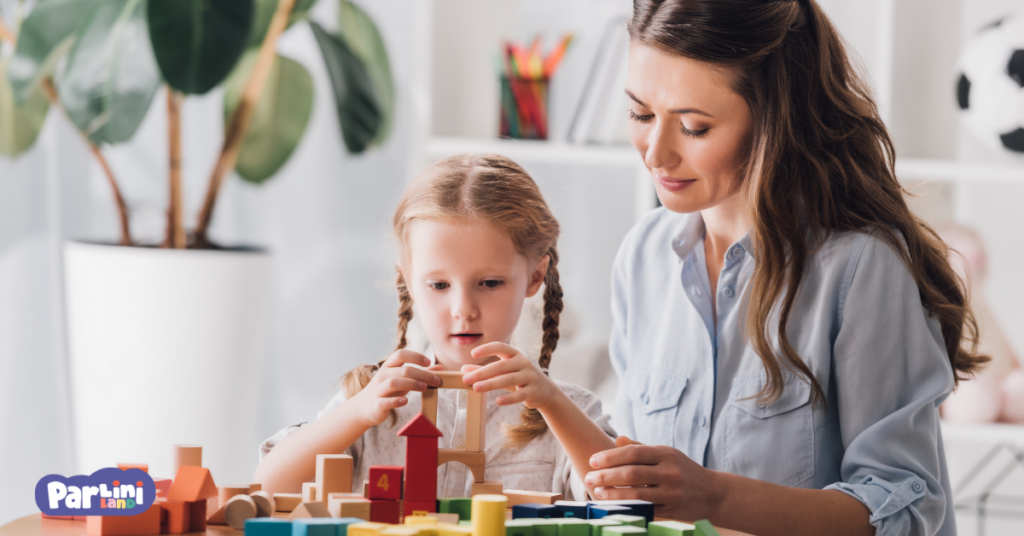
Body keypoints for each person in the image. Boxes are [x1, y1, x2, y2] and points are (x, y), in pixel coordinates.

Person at [582, 1, 988, 535]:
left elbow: (906, 513)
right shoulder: (642, 256)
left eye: (694, 127)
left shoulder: (861, 268)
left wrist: (715, 496)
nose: (656, 153)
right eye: (640, 114)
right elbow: (634, 487)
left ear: (773, 117)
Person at [253, 154, 616, 499]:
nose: (463, 309)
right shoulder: (371, 400)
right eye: (439, 285)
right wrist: (359, 412)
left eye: (489, 283)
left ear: (535, 276)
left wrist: (551, 402)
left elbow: (621, 497)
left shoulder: (568, 411)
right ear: (408, 279)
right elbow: (269, 486)